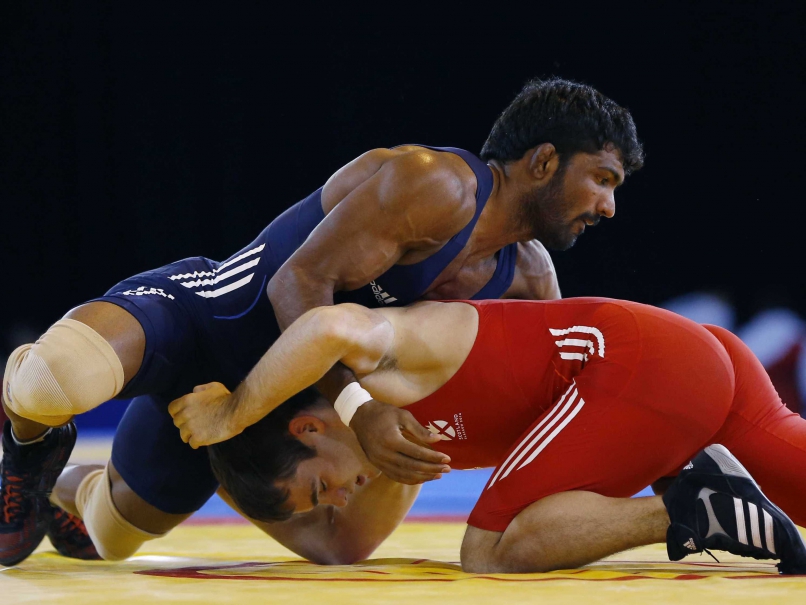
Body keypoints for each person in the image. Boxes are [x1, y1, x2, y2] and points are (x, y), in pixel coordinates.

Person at [1, 77, 644, 565]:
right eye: (602, 179)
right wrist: (363, 408)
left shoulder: (530, 282)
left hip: (279, 405)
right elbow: (297, 282)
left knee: (118, 539)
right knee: (56, 384)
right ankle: (29, 445)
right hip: (206, 322)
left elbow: (540, 403)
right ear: (541, 162)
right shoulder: (438, 185)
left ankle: (69, 485)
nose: (609, 207)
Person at [174, 297, 806, 574]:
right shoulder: (387, 456)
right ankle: (712, 498)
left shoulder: (372, 369)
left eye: (320, 490)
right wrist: (224, 469)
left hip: (637, 362)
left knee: (489, 549)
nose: (340, 502)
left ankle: (695, 508)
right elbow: (345, 549)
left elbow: (323, 325)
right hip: (681, 363)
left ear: (309, 426)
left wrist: (231, 418)